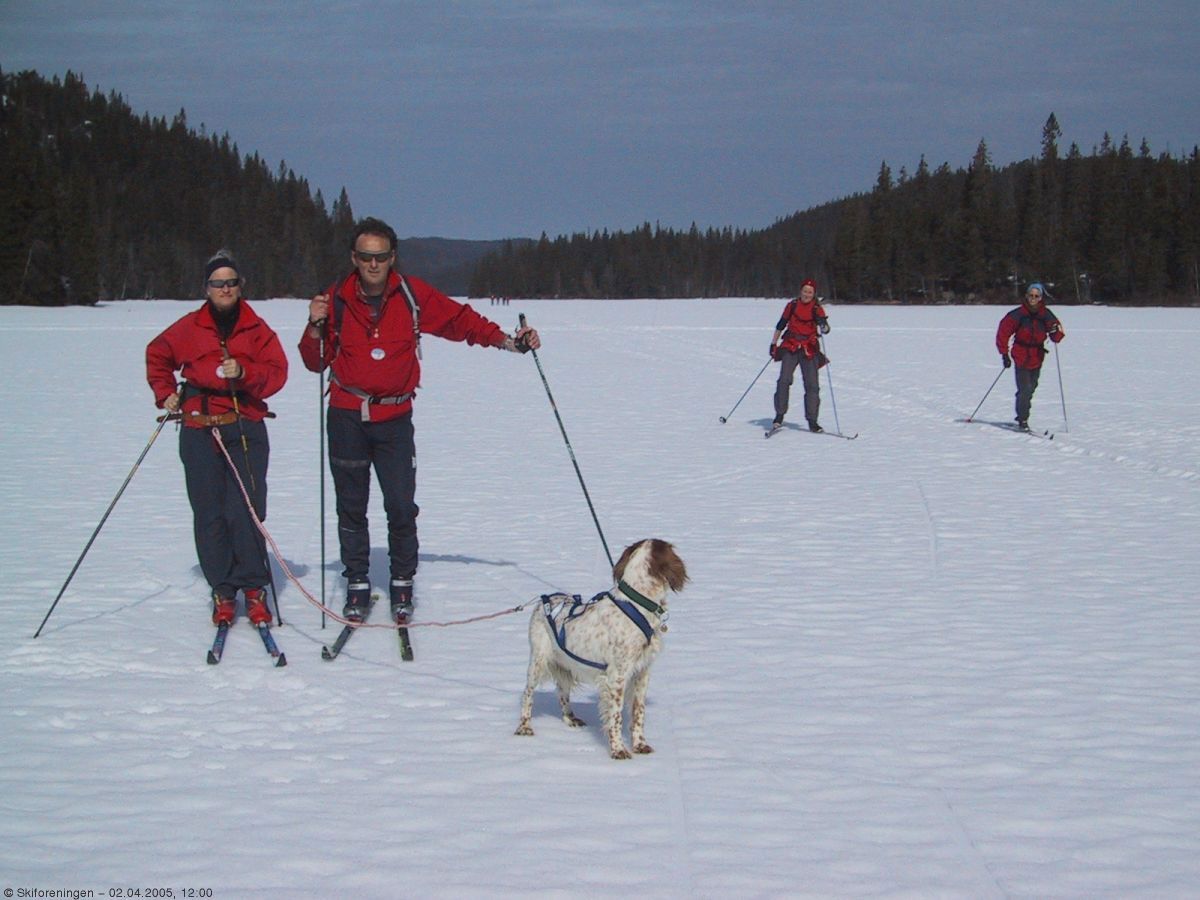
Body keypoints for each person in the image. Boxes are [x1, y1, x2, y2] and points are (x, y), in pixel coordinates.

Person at [299, 217, 541, 623]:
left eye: (380, 257)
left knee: (400, 505)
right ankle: (357, 581)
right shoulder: (334, 300)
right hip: (345, 417)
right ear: (353, 258)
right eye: (365, 257)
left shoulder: (411, 296)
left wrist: (508, 342)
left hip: (394, 418)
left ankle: (401, 581)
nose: (373, 264)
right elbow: (314, 362)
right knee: (351, 507)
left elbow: (460, 321)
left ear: (392, 257)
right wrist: (314, 325)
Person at [146, 250, 289, 627]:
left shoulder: (257, 330)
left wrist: (244, 371)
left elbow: (277, 373)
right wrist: (165, 393)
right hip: (199, 430)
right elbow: (158, 354)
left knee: (246, 511)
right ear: (206, 288)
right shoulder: (189, 327)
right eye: (217, 283)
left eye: (231, 282)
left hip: (243, 427)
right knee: (209, 514)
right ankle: (223, 590)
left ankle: (254, 588)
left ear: (241, 286)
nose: (225, 288)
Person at [995, 282, 1065, 430]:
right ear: (1026, 296)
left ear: (1041, 297)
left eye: (1036, 296)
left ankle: (1022, 412)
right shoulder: (1017, 314)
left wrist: (1055, 333)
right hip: (1021, 355)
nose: (1033, 299)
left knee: (1031, 388)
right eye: (1031, 295)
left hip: (1037, 356)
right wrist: (1004, 354)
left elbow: (1058, 334)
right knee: (1025, 389)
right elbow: (1003, 332)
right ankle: (1023, 419)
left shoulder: (1046, 314)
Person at [768, 279, 830, 433]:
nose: (807, 294)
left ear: (814, 294)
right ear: (800, 291)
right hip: (791, 346)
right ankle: (779, 415)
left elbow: (826, 328)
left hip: (809, 348)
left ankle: (812, 421)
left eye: (810, 292)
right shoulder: (792, 305)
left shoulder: (817, 309)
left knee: (812, 385)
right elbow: (781, 325)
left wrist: (824, 326)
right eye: (805, 291)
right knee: (784, 380)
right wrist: (773, 344)